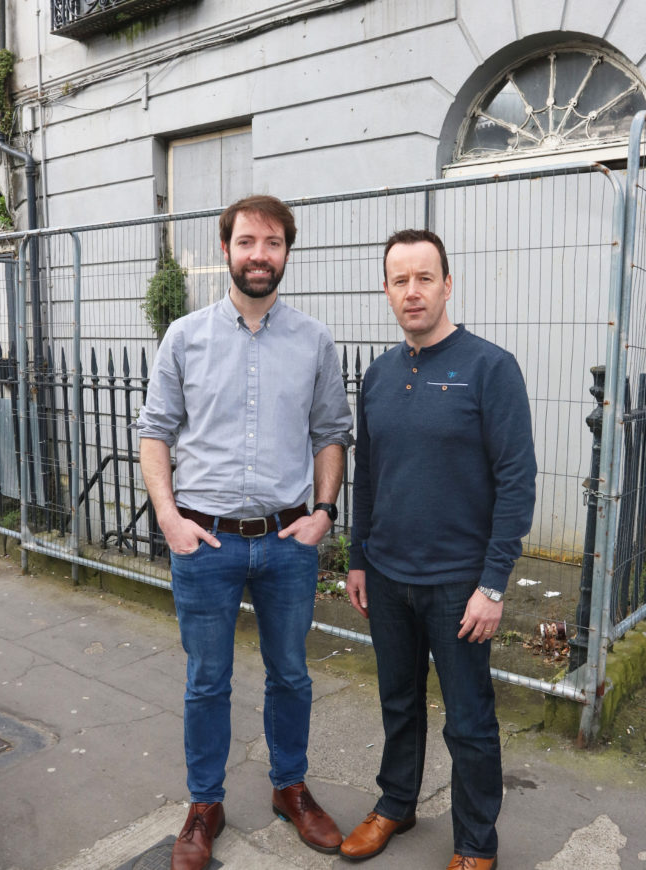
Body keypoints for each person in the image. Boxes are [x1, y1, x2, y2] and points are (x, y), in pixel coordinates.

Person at [137, 194, 352, 870]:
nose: (261, 254)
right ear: (226, 248)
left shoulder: (314, 340)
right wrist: (168, 518)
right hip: (204, 543)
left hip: (288, 543)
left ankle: (290, 787)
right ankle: (206, 803)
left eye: (274, 243)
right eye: (248, 242)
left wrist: (324, 513)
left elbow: (331, 435)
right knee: (207, 679)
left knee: (291, 674)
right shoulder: (185, 337)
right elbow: (154, 433)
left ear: (287, 252)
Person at [341, 229, 536, 870]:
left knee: (469, 722)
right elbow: (365, 474)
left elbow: (516, 480)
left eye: (425, 278)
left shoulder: (490, 367)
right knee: (398, 702)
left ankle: (477, 844)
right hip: (390, 577)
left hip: (460, 586)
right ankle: (396, 802)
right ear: (388, 292)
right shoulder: (378, 375)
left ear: (448, 284)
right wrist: (358, 556)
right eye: (401, 281)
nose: (413, 291)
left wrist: (494, 584)